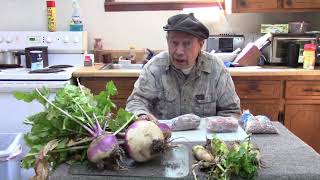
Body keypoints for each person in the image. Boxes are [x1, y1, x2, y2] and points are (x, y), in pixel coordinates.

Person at [126, 13, 240, 121]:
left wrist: (219, 128)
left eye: (187, 44)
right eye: (174, 43)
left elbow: (231, 111)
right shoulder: (154, 68)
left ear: (200, 44)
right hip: (163, 139)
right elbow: (136, 102)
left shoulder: (216, 68)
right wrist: (142, 115)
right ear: (167, 41)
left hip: (207, 139)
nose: (179, 51)